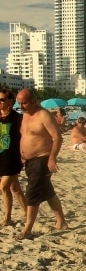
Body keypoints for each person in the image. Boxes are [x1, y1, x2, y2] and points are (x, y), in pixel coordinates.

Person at [14, 89, 68, 240]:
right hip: (29, 161)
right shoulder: (25, 115)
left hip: (42, 159)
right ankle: (61, 222)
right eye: (19, 103)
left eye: (24, 102)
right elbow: (25, 136)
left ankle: (27, 230)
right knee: (48, 192)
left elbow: (57, 138)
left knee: (32, 193)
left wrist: (52, 159)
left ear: (34, 100)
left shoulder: (43, 115)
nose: (21, 106)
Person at [0, 89, 27, 226]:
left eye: (2, 99)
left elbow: (26, 137)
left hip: (13, 158)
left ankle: (8, 218)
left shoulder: (18, 118)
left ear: (11, 101)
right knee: (14, 187)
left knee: (4, 186)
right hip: (1, 158)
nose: (0, 102)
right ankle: (27, 211)